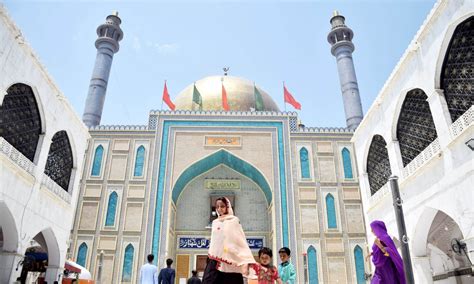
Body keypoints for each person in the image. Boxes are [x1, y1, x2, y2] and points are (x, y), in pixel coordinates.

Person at [204, 197, 256, 284]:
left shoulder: (234, 220)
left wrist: (245, 260)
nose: (219, 209)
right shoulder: (215, 222)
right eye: (217, 207)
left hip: (230, 258)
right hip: (214, 259)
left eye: (222, 206)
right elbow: (215, 242)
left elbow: (240, 240)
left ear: (227, 207)